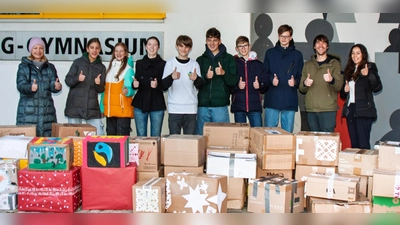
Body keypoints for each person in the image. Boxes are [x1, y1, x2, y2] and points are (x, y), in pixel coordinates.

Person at [16, 37, 62, 136]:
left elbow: (53, 84)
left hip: (47, 112)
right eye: (35, 48)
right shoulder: (23, 67)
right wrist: (30, 88)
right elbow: (20, 85)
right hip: (28, 113)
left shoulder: (50, 67)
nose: (38, 51)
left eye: (41, 48)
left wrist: (57, 86)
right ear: (30, 50)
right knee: (27, 144)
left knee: (47, 143)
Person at [196, 27, 238, 135]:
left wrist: (224, 73)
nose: (212, 43)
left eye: (215, 40)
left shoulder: (229, 59)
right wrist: (205, 77)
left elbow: (233, 81)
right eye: (209, 40)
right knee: (201, 140)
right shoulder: (200, 60)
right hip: (203, 107)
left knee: (222, 139)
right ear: (206, 41)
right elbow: (196, 84)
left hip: (220, 107)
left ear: (220, 41)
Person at [340, 44, 383, 149]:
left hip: (364, 111)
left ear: (363, 54)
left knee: (363, 144)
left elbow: (378, 87)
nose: (355, 56)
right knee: (354, 144)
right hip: (351, 110)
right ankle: (357, 165)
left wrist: (368, 75)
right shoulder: (348, 71)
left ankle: (366, 165)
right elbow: (343, 94)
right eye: (353, 53)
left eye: (358, 53)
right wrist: (344, 91)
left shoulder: (370, 67)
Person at [263, 25, 304, 133]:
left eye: (286, 36)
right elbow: (264, 73)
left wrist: (295, 82)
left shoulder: (297, 55)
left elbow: (301, 76)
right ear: (278, 36)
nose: (284, 39)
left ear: (291, 37)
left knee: (287, 135)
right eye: (282, 36)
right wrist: (272, 80)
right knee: (269, 134)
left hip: (289, 99)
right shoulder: (270, 53)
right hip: (272, 99)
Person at [299, 34, 343, 132]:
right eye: (318, 43)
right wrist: (305, 84)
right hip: (311, 109)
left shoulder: (334, 64)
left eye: (323, 43)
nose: (321, 45)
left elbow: (339, 86)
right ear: (314, 46)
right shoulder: (308, 65)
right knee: (314, 140)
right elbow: (301, 89)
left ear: (327, 46)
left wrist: (331, 80)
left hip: (328, 109)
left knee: (327, 140)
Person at [162, 35, 203, 134]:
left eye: (187, 46)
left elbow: (200, 86)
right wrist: (171, 77)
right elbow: (163, 86)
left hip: (191, 109)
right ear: (176, 46)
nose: (184, 49)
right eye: (181, 46)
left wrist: (196, 78)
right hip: (174, 109)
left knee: (189, 142)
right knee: (174, 141)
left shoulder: (194, 64)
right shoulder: (170, 63)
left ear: (190, 48)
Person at [64, 38, 106, 135]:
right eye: (92, 47)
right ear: (87, 49)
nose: (94, 50)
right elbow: (68, 80)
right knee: (74, 137)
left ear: (99, 50)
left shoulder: (101, 67)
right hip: (74, 106)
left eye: (97, 48)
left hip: (92, 108)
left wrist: (98, 83)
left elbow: (100, 90)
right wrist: (77, 79)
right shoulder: (78, 62)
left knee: (99, 134)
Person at [131, 36, 166, 137]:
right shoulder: (139, 63)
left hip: (157, 102)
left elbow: (166, 86)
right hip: (141, 102)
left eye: (155, 45)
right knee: (141, 136)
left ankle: (155, 154)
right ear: (146, 47)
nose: (152, 47)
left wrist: (157, 85)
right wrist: (134, 85)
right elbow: (136, 81)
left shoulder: (163, 64)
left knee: (156, 136)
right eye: (149, 44)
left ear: (158, 48)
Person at [230, 36, 268, 127]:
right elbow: (228, 85)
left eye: (245, 45)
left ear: (249, 47)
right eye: (240, 46)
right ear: (236, 48)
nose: (243, 48)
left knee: (257, 135)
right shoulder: (233, 64)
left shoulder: (259, 65)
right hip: (239, 107)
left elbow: (266, 85)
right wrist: (237, 86)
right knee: (240, 137)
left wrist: (260, 85)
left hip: (255, 107)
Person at [101, 42, 136, 136]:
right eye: (116, 51)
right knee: (111, 142)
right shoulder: (110, 68)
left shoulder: (128, 69)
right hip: (110, 111)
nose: (118, 53)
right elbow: (105, 91)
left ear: (125, 53)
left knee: (122, 143)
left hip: (122, 112)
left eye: (121, 51)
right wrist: (102, 108)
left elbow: (131, 88)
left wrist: (128, 91)